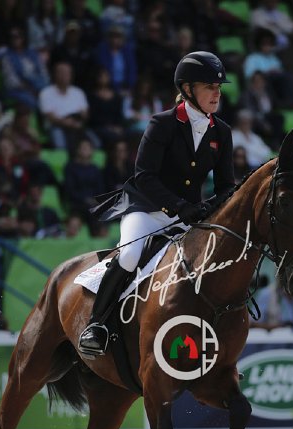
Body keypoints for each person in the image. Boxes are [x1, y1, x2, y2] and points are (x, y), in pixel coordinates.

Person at [78, 51, 235, 356]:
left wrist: (211, 206)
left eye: (218, 87)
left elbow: (226, 186)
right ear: (187, 89)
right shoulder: (162, 123)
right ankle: (96, 325)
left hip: (189, 216)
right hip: (147, 209)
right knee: (129, 255)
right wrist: (180, 206)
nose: (217, 93)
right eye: (209, 86)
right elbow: (144, 176)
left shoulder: (222, 132)